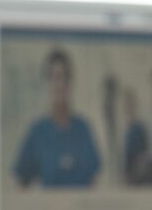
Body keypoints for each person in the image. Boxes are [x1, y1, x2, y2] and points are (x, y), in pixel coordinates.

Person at [12, 47, 101, 188]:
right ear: (47, 83)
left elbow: (95, 179)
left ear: (70, 82)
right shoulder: (38, 132)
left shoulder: (83, 129)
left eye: (64, 77)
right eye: (54, 78)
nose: (60, 85)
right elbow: (19, 180)